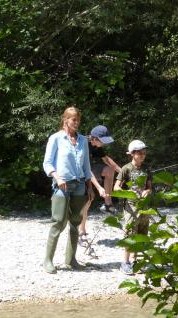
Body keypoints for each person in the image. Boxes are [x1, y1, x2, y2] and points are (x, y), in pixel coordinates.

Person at [42, 107, 92, 274]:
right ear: (65, 120)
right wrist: (57, 178)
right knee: (58, 222)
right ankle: (48, 261)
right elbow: (47, 163)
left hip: (79, 185)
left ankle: (71, 260)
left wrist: (89, 186)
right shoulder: (56, 138)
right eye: (73, 120)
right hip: (62, 185)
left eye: (78, 120)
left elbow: (87, 166)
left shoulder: (83, 140)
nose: (76, 123)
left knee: (76, 222)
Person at [78, 125, 121, 247]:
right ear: (94, 138)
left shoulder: (96, 145)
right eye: (103, 141)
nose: (105, 144)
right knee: (87, 201)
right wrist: (98, 187)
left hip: (89, 171)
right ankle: (81, 233)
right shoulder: (83, 144)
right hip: (79, 174)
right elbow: (86, 169)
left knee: (109, 170)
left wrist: (123, 172)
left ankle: (108, 204)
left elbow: (107, 160)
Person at [114, 139, 152, 275]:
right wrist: (129, 193)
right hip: (130, 207)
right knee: (130, 233)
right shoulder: (126, 169)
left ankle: (135, 261)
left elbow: (149, 187)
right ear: (132, 154)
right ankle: (125, 263)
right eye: (139, 152)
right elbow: (116, 187)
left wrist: (147, 192)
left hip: (144, 206)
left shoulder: (147, 168)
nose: (142, 155)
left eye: (144, 152)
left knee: (141, 233)